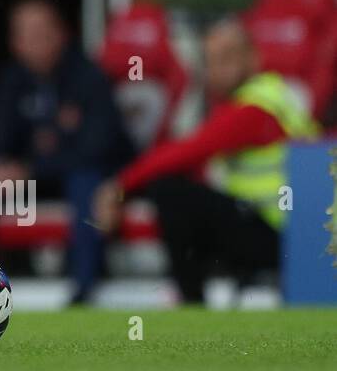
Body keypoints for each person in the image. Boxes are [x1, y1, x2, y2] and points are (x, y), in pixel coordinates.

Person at [93, 18, 319, 303]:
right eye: (211, 61)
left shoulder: (252, 109)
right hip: (290, 230)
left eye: (227, 58)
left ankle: (189, 297)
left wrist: (119, 186)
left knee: (169, 190)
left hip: (280, 236)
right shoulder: (275, 96)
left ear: (254, 57)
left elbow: (186, 151)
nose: (217, 70)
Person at [0, 0, 133, 303]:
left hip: (78, 177)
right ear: (16, 43)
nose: (35, 41)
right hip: (29, 183)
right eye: (26, 34)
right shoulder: (9, 81)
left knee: (87, 182)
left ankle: (83, 290)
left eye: (43, 31)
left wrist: (30, 169)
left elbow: (99, 150)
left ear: (62, 33)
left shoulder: (89, 77)